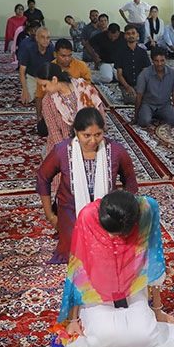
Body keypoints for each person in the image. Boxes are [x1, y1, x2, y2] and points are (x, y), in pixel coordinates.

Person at [59, 190, 174, 347]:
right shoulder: (87, 216)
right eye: (108, 232)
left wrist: (157, 311)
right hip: (95, 289)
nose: (111, 238)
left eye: (117, 234)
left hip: (133, 284)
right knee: (105, 338)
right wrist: (73, 319)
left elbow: (153, 262)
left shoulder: (147, 210)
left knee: (145, 335)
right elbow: (78, 270)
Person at [36, 108, 138, 264]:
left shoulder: (115, 150)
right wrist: (50, 215)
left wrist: (126, 211)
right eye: (87, 135)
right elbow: (43, 177)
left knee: (116, 247)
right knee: (75, 249)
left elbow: (129, 179)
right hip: (71, 209)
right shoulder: (62, 151)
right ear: (76, 132)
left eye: (98, 134)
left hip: (106, 209)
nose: (93, 141)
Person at [37, 63, 106, 158]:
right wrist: (68, 154)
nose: (43, 89)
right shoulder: (48, 101)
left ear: (54, 79)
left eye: (44, 85)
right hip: (63, 146)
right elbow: (54, 131)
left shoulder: (83, 87)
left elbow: (100, 114)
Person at [134, 48, 174, 127]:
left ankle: (159, 115)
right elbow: (139, 95)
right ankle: (150, 114)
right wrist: (136, 115)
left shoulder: (172, 73)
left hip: (165, 105)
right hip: (148, 105)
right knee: (144, 122)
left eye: (162, 60)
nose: (159, 64)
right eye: (156, 61)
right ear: (152, 61)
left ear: (166, 60)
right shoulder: (145, 74)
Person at [17, 26, 54, 118]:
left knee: (50, 99)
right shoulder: (28, 49)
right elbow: (22, 71)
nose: (45, 40)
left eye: (48, 38)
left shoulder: (52, 49)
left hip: (47, 79)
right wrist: (25, 90)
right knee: (27, 99)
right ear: (37, 38)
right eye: (42, 37)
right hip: (32, 77)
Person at [114, 25, 151, 105]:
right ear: (125, 36)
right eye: (128, 34)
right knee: (134, 100)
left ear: (137, 35)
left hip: (140, 85)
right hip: (126, 85)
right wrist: (128, 87)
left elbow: (146, 73)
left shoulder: (143, 52)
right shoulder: (120, 52)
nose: (131, 36)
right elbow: (119, 75)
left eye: (133, 33)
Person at [85, 18, 120, 84]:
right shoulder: (101, 36)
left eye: (115, 36)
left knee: (121, 78)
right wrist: (94, 56)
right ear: (108, 32)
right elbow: (87, 44)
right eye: (111, 36)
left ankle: (114, 76)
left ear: (119, 33)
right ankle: (95, 78)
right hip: (105, 62)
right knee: (107, 79)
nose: (113, 38)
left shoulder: (124, 36)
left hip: (119, 64)